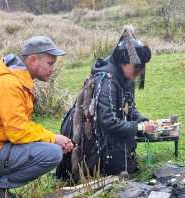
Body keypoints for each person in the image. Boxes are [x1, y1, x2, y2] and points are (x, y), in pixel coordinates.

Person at [0, 36, 74, 198]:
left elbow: (18, 125)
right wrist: (52, 138)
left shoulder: (17, 80)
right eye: (50, 63)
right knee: (53, 153)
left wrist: (48, 137)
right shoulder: (10, 84)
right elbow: (17, 132)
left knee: (49, 148)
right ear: (33, 60)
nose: (52, 69)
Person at [56, 26, 156, 180]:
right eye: (136, 66)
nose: (139, 71)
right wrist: (140, 127)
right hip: (92, 138)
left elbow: (129, 108)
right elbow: (107, 121)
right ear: (123, 62)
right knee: (121, 167)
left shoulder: (125, 78)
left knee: (128, 166)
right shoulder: (107, 80)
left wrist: (143, 121)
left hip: (107, 134)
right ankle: (85, 168)